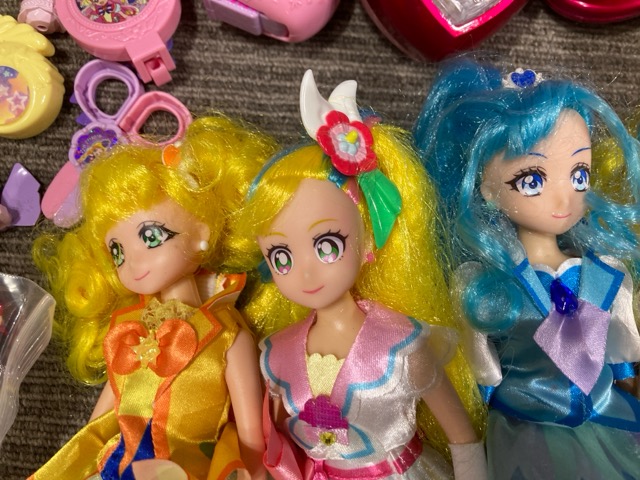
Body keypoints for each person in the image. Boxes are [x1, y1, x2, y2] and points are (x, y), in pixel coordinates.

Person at [231, 70, 487, 479]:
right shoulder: (276, 355)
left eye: (327, 245)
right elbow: (278, 444)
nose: (306, 271)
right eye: (281, 257)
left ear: (367, 239)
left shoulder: (400, 347)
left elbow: (462, 436)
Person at [414, 57, 640, 479]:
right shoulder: (484, 287)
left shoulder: (608, 274)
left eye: (578, 175)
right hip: (527, 435)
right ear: (485, 187)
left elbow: (621, 360)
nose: (564, 199)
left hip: (609, 420)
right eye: (532, 180)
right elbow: (483, 374)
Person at [30, 115, 278, 480]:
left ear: (202, 232)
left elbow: (250, 432)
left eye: (151, 237)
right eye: (117, 252)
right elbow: (98, 422)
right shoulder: (127, 331)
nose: (133, 262)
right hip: (120, 464)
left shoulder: (227, 336)